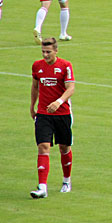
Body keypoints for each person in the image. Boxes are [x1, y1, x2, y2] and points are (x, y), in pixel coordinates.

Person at [30, 36, 75, 198]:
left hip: (62, 114)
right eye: (43, 51)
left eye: (48, 52)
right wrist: (32, 106)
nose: (45, 55)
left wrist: (59, 101)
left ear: (56, 51)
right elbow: (35, 86)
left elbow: (71, 88)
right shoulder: (37, 66)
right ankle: (42, 187)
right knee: (43, 147)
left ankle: (66, 180)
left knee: (64, 148)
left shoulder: (65, 66)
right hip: (43, 114)